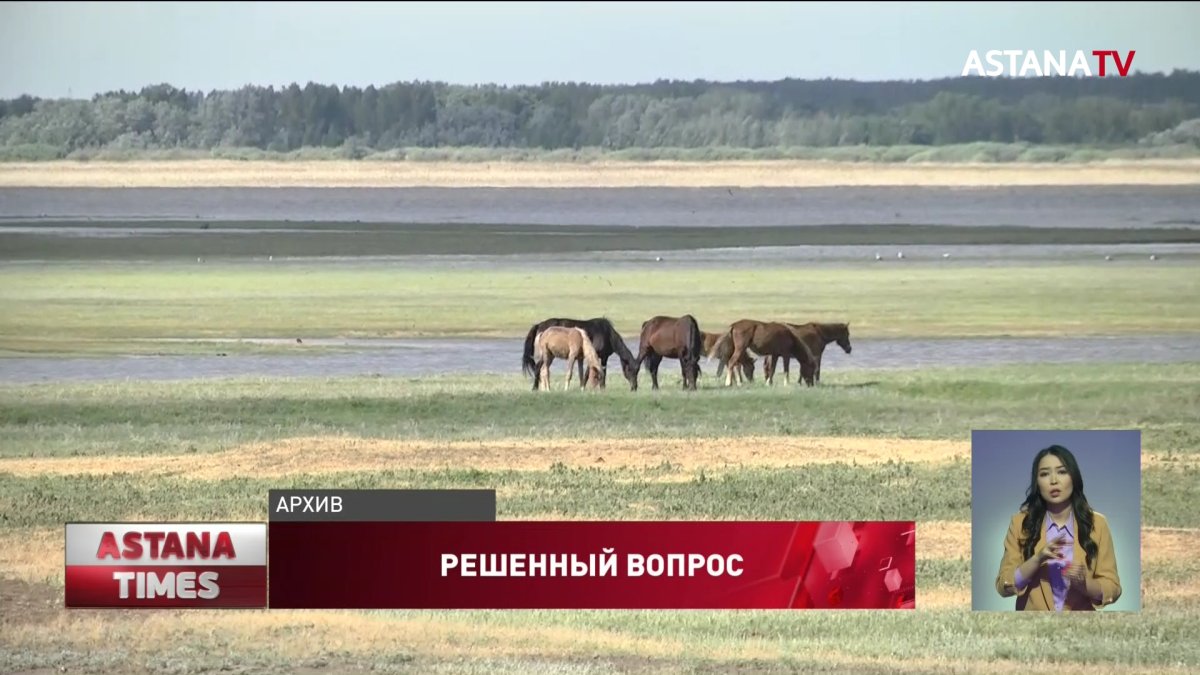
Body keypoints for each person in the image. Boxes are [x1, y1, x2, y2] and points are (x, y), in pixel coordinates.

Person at [995, 444, 1122, 611]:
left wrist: (1085, 584)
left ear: (1074, 477)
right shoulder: (1020, 523)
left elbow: (1112, 588)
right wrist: (1037, 559)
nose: (1054, 481)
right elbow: (1004, 584)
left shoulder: (1097, 524)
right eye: (1045, 474)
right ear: (1037, 482)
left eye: (1062, 472)